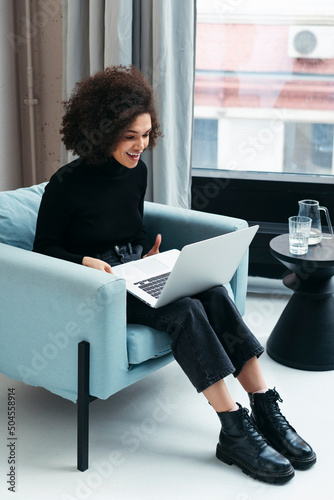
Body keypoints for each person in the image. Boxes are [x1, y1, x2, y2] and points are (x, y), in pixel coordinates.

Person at [33, 65, 316, 484]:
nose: (140, 147)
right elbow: (44, 249)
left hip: (138, 272)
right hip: (99, 287)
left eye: (146, 135)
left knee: (215, 293)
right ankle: (233, 429)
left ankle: (263, 404)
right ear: (102, 131)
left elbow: (128, 225)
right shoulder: (65, 184)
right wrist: (85, 263)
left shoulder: (136, 172)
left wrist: (151, 255)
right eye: (130, 137)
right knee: (183, 310)